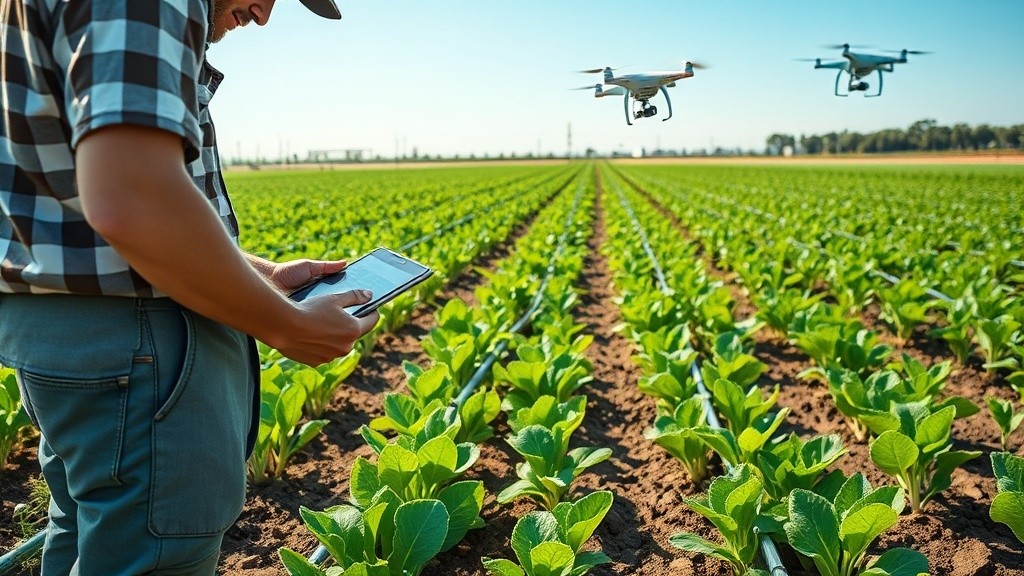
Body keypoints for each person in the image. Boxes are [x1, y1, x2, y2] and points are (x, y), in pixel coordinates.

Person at [0, 0, 378, 573]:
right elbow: (133, 197)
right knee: (154, 554)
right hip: (136, 342)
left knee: (89, 534)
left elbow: (77, 195)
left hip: (62, 335)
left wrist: (261, 275)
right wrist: (287, 325)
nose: (263, 13)